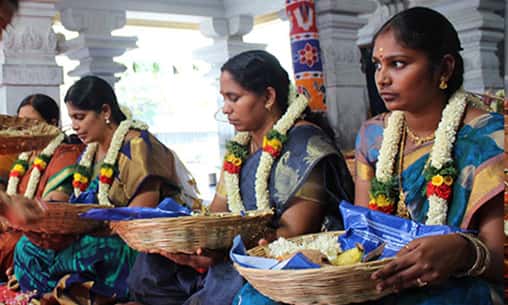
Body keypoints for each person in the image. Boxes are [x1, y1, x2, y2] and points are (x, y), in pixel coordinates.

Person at [126, 50, 355, 305]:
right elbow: (217, 213)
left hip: (280, 262)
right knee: (150, 265)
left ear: (268, 96)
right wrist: (194, 247)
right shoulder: (240, 148)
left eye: (234, 98)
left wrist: (224, 254)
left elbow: (294, 233)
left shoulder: (305, 143)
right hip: (234, 255)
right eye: (224, 99)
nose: (226, 109)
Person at [354, 7, 503, 304]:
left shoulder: (491, 139)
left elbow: (500, 259)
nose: (381, 79)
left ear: (445, 69)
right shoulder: (373, 136)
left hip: (464, 286)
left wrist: (463, 251)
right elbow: (362, 232)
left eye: (398, 64)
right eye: (377, 65)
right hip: (385, 279)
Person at [13, 76, 194, 304]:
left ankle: (78, 294)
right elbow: (78, 203)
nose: (75, 126)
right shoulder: (89, 152)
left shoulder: (137, 145)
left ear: (105, 111)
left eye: (80, 117)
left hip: (132, 240)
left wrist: (88, 230)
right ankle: (61, 296)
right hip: (93, 231)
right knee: (27, 247)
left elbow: (141, 213)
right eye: (71, 118)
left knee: (87, 249)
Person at [0, 94, 84, 283]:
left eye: (31, 122)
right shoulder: (24, 157)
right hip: (14, 226)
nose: (26, 130)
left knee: (16, 246)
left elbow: (49, 209)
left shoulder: (64, 155)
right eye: (21, 124)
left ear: (52, 123)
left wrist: (13, 214)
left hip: (39, 233)